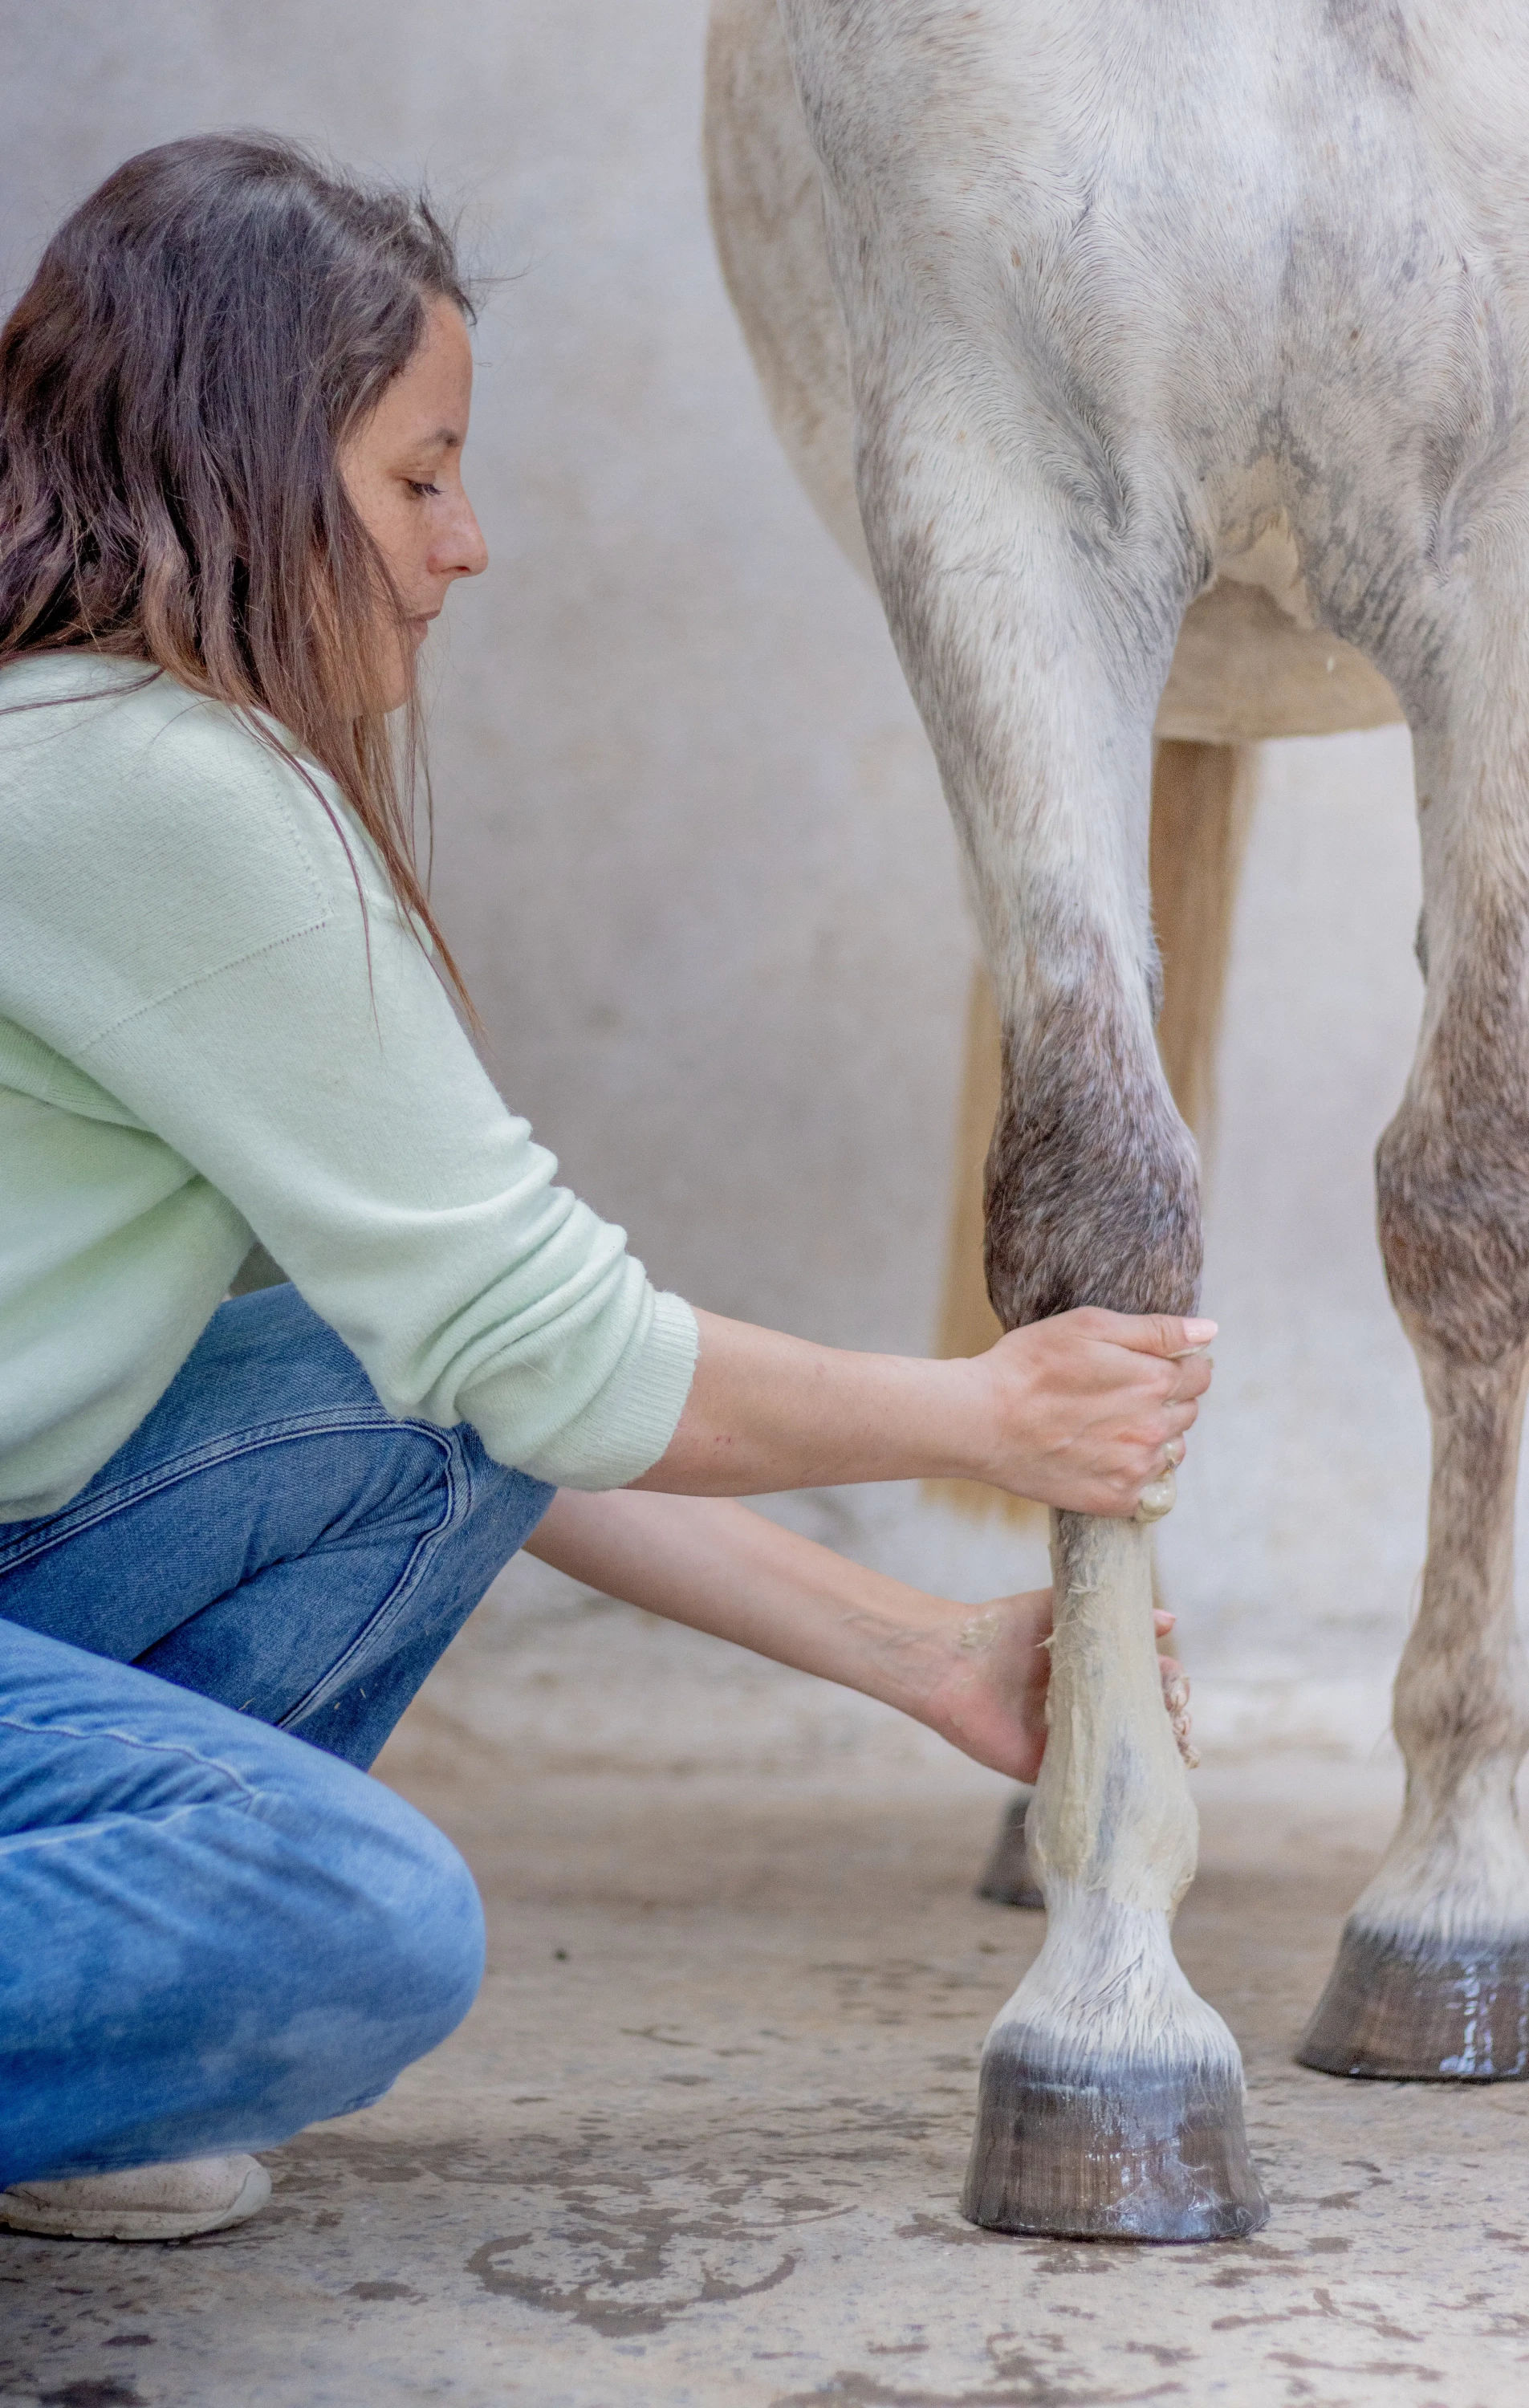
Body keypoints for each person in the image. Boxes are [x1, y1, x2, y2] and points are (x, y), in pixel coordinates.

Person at [0, 135, 1212, 2243]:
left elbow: (488, 1390)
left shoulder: (97, 754)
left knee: (385, 1396)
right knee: (360, 1920)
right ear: (244, 461)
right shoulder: (156, 788)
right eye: (418, 476)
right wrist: (987, 1415)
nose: (471, 545)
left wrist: (927, 1652)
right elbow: (564, 1349)